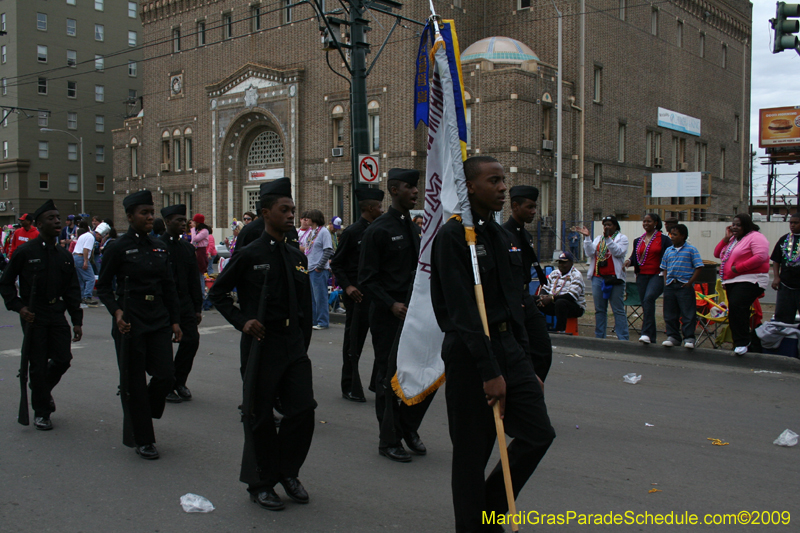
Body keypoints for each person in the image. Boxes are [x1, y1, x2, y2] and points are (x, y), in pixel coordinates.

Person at [430, 156, 554, 532]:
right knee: (472, 453)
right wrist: (489, 372)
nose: (503, 187)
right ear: (470, 186)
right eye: (494, 180)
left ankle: (489, 512)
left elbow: (514, 306)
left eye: (504, 180)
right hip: (471, 355)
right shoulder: (453, 237)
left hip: (509, 349)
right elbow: (463, 312)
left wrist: (526, 365)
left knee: (538, 435)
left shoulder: (501, 236)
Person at [209, 177, 316, 512]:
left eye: (293, 211)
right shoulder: (249, 254)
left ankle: (287, 471)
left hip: (293, 346)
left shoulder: (296, 255)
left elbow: (304, 307)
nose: (290, 216)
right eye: (284, 210)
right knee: (259, 417)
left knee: (302, 412)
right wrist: (243, 321)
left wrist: (302, 345)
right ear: (266, 213)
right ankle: (261, 483)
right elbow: (218, 293)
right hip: (262, 344)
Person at [97, 190, 183, 460]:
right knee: (134, 382)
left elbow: (169, 286)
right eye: (144, 213)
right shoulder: (117, 247)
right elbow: (103, 287)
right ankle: (143, 439)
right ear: (130, 216)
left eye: (151, 212)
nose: (149, 217)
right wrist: (117, 312)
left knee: (166, 376)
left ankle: (143, 409)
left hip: (157, 317)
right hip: (130, 320)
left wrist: (175, 320)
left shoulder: (160, 245)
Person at [359, 168, 434, 463]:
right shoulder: (378, 230)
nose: (415, 192)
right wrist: (391, 304)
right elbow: (367, 278)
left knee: (426, 372)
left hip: (416, 313)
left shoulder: (415, 229)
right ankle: (388, 439)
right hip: (389, 314)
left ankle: (408, 427)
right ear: (393, 190)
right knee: (389, 377)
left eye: (416, 187)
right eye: (409, 187)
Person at [0, 200, 83, 431]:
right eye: (51, 218)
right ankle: (42, 411)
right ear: (38, 224)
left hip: (56, 314)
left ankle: (41, 391)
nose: (57, 221)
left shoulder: (64, 256)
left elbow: (72, 290)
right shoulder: (25, 252)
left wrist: (77, 320)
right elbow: (5, 284)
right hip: (33, 315)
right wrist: (19, 307)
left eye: (58, 217)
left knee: (63, 359)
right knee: (36, 364)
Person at [330, 187, 385, 402]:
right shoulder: (352, 232)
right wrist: (348, 287)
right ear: (370, 208)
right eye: (379, 207)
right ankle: (349, 385)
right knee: (354, 344)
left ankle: (376, 382)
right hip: (358, 296)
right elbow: (337, 263)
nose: (382, 210)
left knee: (382, 342)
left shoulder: (380, 230)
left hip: (376, 296)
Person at [502, 185, 552, 383]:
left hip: (526, 298)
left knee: (542, 349)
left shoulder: (526, 236)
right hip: (513, 300)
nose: (534, 212)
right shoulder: (503, 234)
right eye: (529, 207)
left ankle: (531, 386)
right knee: (520, 350)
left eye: (535, 207)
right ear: (515, 206)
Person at [159, 205, 204, 403]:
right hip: (163, 304)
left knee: (191, 340)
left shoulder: (187, 248)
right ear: (167, 222)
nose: (183, 224)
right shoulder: (158, 245)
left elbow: (194, 279)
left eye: (184, 220)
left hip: (184, 303)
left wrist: (197, 307)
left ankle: (179, 381)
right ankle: (165, 385)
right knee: (164, 347)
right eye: (178, 220)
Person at [714, 213, 770, 355]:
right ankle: (741, 342)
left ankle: (743, 341)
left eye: (738, 225)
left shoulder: (756, 237)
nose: (735, 227)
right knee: (735, 309)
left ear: (746, 225)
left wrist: (738, 268)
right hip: (732, 280)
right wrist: (726, 239)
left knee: (737, 304)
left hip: (751, 278)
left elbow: (761, 256)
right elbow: (716, 254)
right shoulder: (733, 240)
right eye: (733, 224)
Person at [577, 216, 629, 340]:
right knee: (600, 310)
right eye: (605, 224)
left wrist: (608, 239)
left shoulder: (622, 238)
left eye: (609, 224)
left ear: (615, 226)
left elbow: (618, 252)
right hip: (598, 277)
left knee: (618, 309)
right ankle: (600, 337)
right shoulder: (598, 239)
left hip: (614, 278)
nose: (606, 227)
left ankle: (623, 337)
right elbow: (589, 253)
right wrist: (587, 238)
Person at [623, 213, 671, 344]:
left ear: (656, 223)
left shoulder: (664, 239)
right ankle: (651, 336)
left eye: (649, 221)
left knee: (649, 299)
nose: (646, 224)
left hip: (657, 275)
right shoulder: (638, 240)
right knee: (645, 303)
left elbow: (669, 256)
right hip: (642, 276)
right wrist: (628, 262)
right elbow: (635, 257)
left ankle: (646, 333)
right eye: (644, 221)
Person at [660, 224, 703, 349]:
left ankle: (689, 338)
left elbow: (698, 267)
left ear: (683, 236)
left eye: (675, 235)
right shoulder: (669, 250)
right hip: (670, 285)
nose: (672, 237)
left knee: (687, 313)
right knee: (669, 313)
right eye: (671, 234)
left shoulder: (691, 250)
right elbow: (664, 267)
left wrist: (690, 282)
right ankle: (673, 336)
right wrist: (666, 281)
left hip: (684, 285)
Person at [538, 251, 585, 333]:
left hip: (574, 307)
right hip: (555, 304)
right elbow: (545, 288)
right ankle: (536, 329)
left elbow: (571, 296)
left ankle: (561, 331)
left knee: (561, 303)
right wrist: (542, 297)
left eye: (564, 263)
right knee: (532, 300)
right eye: (559, 262)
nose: (561, 265)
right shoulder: (554, 273)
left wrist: (551, 298)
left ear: (571, 263)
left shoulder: (576, 275)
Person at [304, 209, 333, 330]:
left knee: (320, 297)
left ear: (314, 219)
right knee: (312, 298)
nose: (306, 220)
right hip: (310, 268)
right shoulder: (311, 232)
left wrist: (320, 267)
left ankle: (322, 321)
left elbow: (328, 250)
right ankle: (314, 320)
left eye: (308, 218)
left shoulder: (324, 232)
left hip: (318, 270)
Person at [771, 213, 800, 324]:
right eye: (791, 222)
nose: (792, 225)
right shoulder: (784, 239)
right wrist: (776, 277)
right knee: (782, 319)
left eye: (796, 223)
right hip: (786, 285)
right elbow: (776, 260)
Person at [73, 221, 98, 307]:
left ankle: (80, 296)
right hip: (81, 257)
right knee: (90, 278)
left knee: (80, 279)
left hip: (75, 256)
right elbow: (86, 249)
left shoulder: (82, 236)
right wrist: (85, 261)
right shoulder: (90, 237)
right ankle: (87, 297)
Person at [189, 214, 211, 284]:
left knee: (200, 273)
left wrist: (192, 229)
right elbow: (192, 242)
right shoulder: (197, 230)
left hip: (200, 252)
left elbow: (195, 239)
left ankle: (202, 293)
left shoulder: (204, 231)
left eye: (195, 222)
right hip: (195, 251)